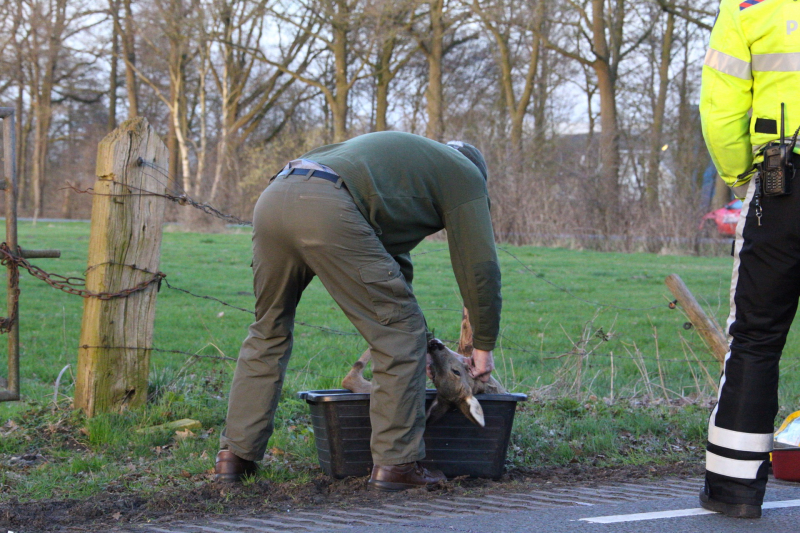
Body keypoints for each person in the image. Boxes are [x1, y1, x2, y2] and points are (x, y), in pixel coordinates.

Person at [214, 132, 502, 491]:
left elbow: (390, 268)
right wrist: (484, 345)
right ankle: (396, 465)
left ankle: (234, 458)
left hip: (277, 196)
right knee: (398, 335)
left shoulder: (408, 166)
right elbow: (480, 267)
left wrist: (425, 345)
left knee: (268, 328)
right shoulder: (466, 175)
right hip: (329, 206)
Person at [699, 0, 800, 519]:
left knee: (757, 337)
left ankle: (734, 490)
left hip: (785, 179)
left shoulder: (749, 6)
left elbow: (719, 107)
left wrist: (745, 177)